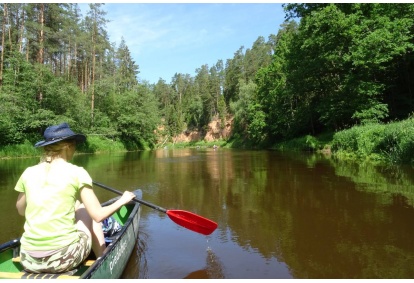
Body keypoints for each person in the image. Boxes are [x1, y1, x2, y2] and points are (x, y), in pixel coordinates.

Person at [14, 122, 136, 274]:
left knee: (77, 205)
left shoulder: (28, 172)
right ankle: (103, 259)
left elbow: (21, 210)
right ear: (67, 147)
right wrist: (123, 200)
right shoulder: (77, 172)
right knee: (85, 209)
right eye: (74, 145)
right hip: (63, 259)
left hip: (28, 259)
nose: (75, 148)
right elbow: (98, 215)